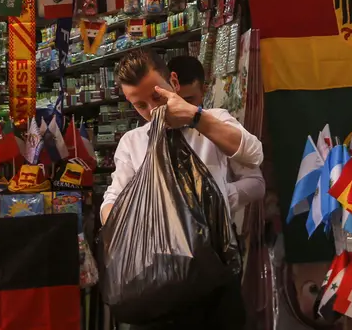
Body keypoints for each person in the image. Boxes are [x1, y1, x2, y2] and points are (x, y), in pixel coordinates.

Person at [102, 50, 262, 329]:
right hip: (154, 279)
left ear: (173, 82)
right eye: (139, 105)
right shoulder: (133, 142)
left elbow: (253, 155)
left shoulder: (212, 120)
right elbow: (111, 203)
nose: (152, 111)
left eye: (156, 97)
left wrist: (195, 117)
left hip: (214, 272)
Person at [167, 54, 265, 227]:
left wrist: (216, 196)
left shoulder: (219, 122)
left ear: (204, 90)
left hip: (216, 237)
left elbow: (256, 183)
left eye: (189, 100)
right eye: (176, 101)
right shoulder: (142, 136)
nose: (181, 109)